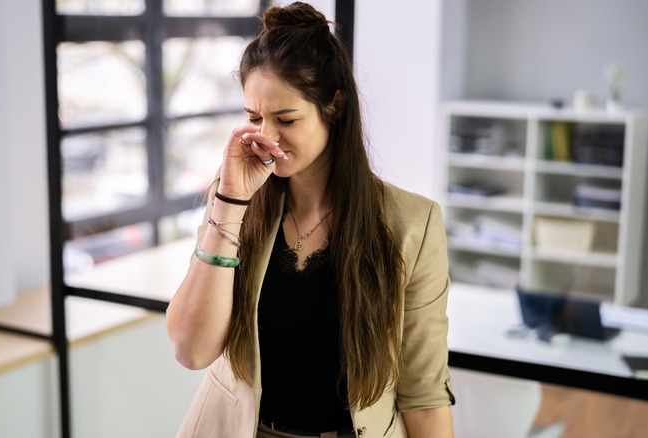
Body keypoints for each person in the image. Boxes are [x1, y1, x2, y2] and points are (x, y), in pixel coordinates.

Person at [166, 3, 455, 437]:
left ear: (334, 107)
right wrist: (229, 202)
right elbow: (191, 350)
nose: (266, 136)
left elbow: (424, 393)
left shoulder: (412, 224)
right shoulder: (232, 202)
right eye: (253, 118)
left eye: (286, 119)